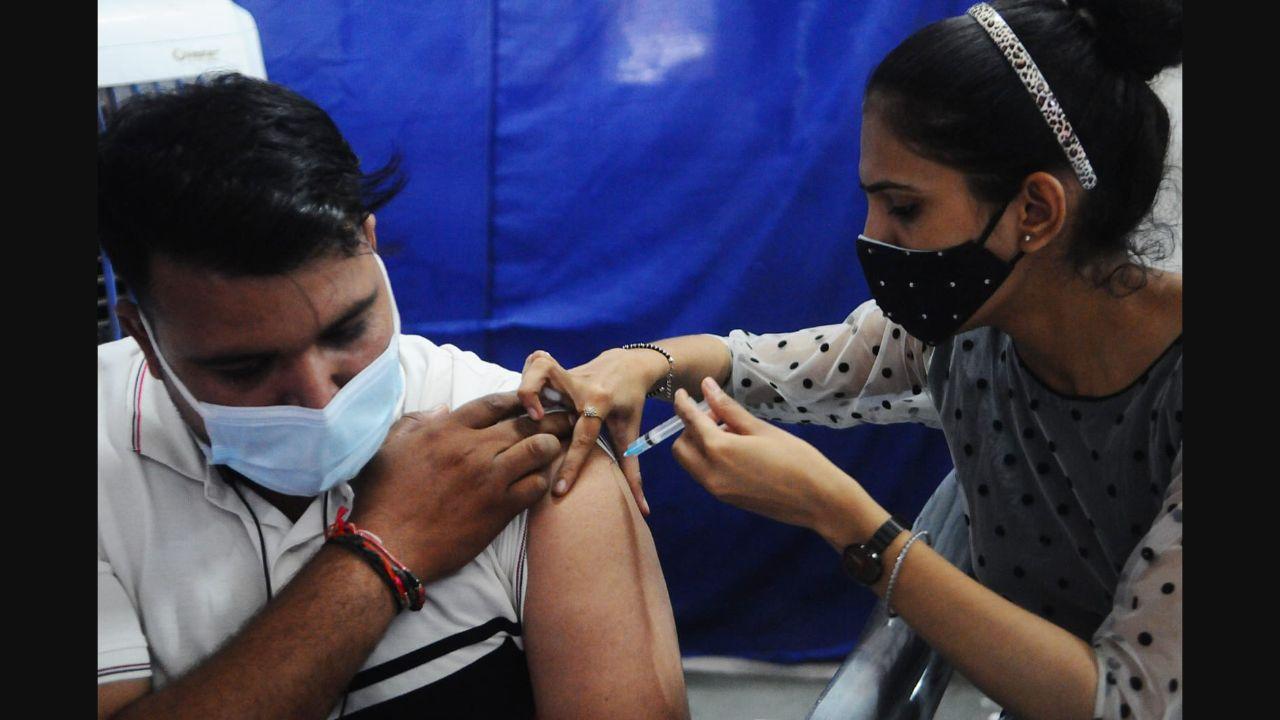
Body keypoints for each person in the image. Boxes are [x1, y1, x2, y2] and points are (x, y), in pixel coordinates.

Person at [516, 1, 1181, 718]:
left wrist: (841, 516)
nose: (875, 237)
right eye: (871, 202)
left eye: (905, 208)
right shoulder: (968, 333)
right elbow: (760, 367)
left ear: (1037, 211)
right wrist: (638, 365)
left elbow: (1128, 700)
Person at [97, 74, 688, 719]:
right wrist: (383, 549)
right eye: (245, 368)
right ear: (144, 337)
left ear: (372, 247)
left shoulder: (524, 443)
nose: (318, 399)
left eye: (347, 330)